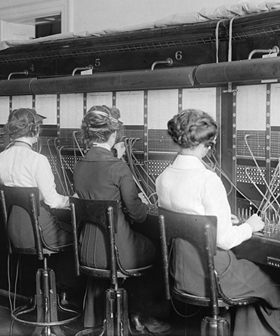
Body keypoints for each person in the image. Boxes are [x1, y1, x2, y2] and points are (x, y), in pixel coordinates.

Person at [156, 108, 280, 336]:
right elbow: (224, 240)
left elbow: (192, 218)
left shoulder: (163, 178)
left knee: (258, 282)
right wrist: (250, 226)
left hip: (182, 274)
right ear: (206, 144)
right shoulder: (207, 180)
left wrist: (217, 222)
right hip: (216, 275)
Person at [73, 105, 171, 334]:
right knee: (159, 251)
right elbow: (138, 214)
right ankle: (141, 314)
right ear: (114, 134)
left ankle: (120, 317)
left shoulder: (79, 166)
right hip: (118, 252)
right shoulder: (118, 167)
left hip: (86, 252)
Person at [0, 108, 79, 300]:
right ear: (34, 131)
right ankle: (62, 294)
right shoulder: (38, 160)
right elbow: (53, 201)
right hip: (40, 233)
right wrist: (74, 199)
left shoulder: (1, 158)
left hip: (14, 232)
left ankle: (48, 296)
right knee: (79, 235)